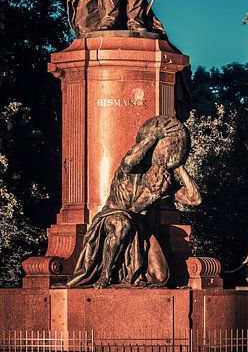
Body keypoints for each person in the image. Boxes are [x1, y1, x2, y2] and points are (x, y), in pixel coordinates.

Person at [67, 116, 201, 288]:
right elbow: (129, 162)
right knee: (122, 225)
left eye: (164, 175)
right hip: (113, 215)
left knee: (161, 277)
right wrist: (153, 137)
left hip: (139, 226)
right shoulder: (132, 170)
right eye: (160, 172)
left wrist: (178, 164)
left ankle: (130, 274)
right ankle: (105, 275)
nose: (161, 177)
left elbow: (194, 199)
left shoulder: (162, 182)